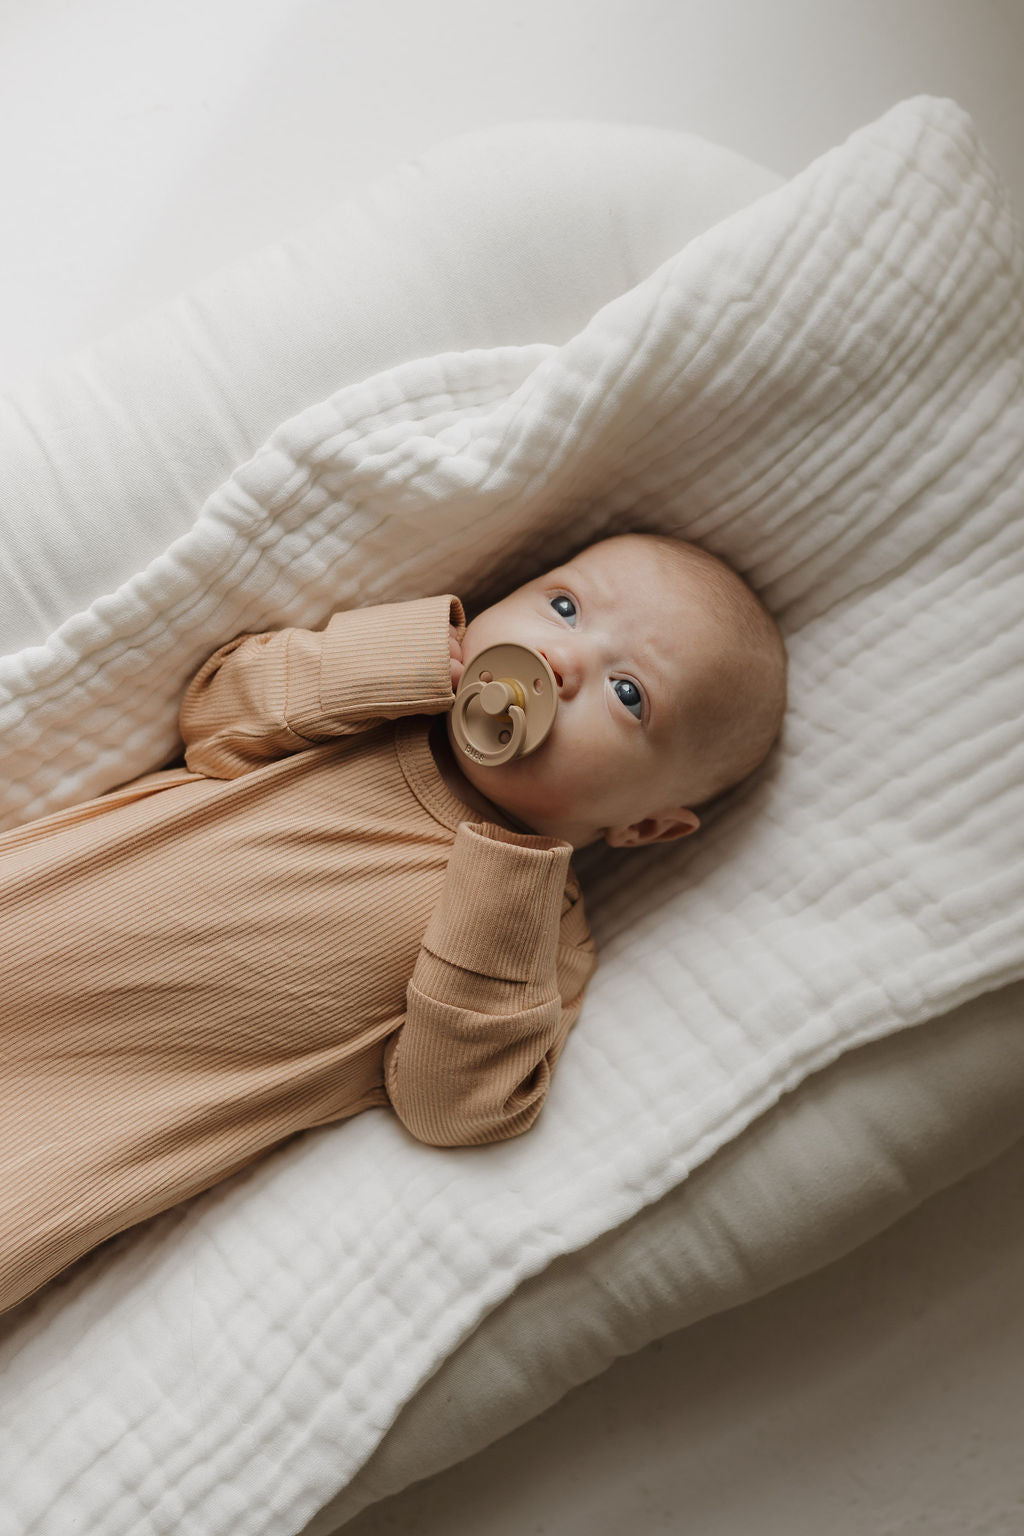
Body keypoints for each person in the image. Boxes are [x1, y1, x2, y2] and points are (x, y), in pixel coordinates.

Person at [0, 530, 786, 1316]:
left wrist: (509, 876)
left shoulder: (539, 935)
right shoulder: (378, 720)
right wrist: (386, 663)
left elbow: (452, 1105)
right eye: (564, 606)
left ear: (646, 827)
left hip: (69, 1136)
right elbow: (216, 714)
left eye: (628, 694)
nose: (560, 662)